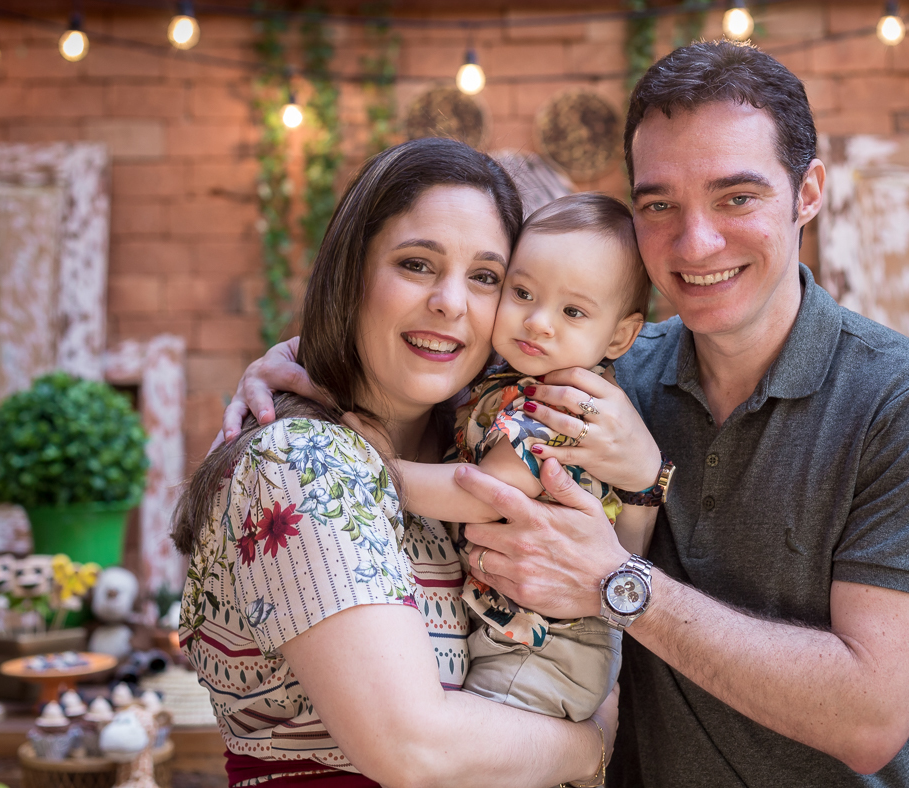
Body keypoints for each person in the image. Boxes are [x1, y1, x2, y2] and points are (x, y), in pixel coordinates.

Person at [223, 42, 909, 788]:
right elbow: (440, 343)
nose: (697, 241)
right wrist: (299, 360)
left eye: (737, 196)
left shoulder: (907, 405)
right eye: (659, 204)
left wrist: (618, 582)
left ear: (808, 192)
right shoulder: (595, 377)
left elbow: (869, 719)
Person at [173, 137, 619, 788]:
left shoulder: (465, 457)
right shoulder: (302, 461)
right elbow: (413, 749)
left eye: (488, 278)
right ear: (352, 272)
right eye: (416, 264)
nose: (450, 302)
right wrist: (595, 746)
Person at [393, 192, 656, 723]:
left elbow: (485, 495)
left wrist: (371, 464)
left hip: (542, 646)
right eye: (522, 292)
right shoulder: (516, 379)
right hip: (518, 628)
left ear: (621, 335)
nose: (538, 322)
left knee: (481, 759)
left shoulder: (561, 407)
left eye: (573, 311)